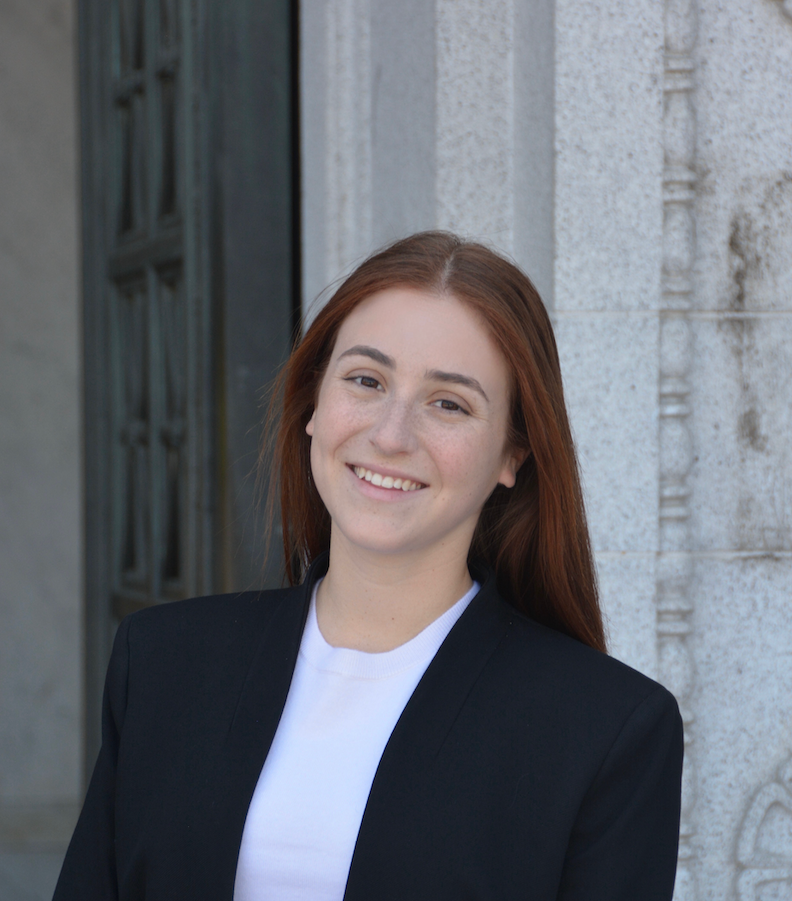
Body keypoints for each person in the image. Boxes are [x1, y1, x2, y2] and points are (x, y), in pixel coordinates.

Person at [54, 231, 683, 901]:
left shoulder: (607, 729)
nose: (390, 433)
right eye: (365, 379)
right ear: (313, 406)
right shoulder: (162, 663)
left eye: (449, 403)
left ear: (512, 456)